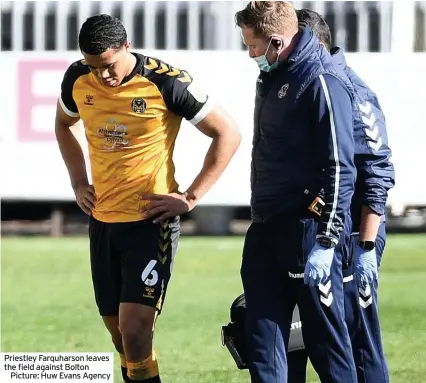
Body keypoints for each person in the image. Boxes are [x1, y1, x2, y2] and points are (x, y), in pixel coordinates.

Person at [55, 14, 241, 383]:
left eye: (107, 66)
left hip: (149, 224)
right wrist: (78, 181)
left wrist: (189, 197)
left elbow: (227, 133)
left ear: (126, 46)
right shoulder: (77, 78)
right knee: (122, 339)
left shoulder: (165, 81)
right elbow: (64, 124)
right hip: (103, 223)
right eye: (94, 68)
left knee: (136, 331)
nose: (102, 76)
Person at [234, 2, 358, 382]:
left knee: (326, 344)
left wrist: (327, 238)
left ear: (275, 41)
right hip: (266, 226)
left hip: (307, 231)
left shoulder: (321, 80)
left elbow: (340, 165)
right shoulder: (273, 78)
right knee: (260, 341)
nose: (250, 55)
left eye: (252, 46)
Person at [285, 9, 395, 383]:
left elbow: (376, 171)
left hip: (351, 232)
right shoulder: (305, 84)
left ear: (314, 44)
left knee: (357, 338)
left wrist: (364, 246)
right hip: (318, 229)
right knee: (313, 337)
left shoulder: (351, 88)